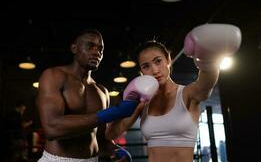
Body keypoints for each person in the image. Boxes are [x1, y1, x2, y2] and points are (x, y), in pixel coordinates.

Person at [105, 23, 241, 162]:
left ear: (168, 60)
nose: (155, 70)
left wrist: (208, 58)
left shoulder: (187, 94)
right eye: (146, 66)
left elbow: (206, 83)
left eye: (158, 61)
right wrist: (124, 107)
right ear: (141, 72)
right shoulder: (142, 103)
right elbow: (111, 134)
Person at [36, 29, 141, 162]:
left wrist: (115, 149)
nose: (97, 52)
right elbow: (51, 128)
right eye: (90, 46)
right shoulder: (54, 76)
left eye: (100, 49)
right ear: (74, 48)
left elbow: (100, 137)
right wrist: (107, 114)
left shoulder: (102, 91)